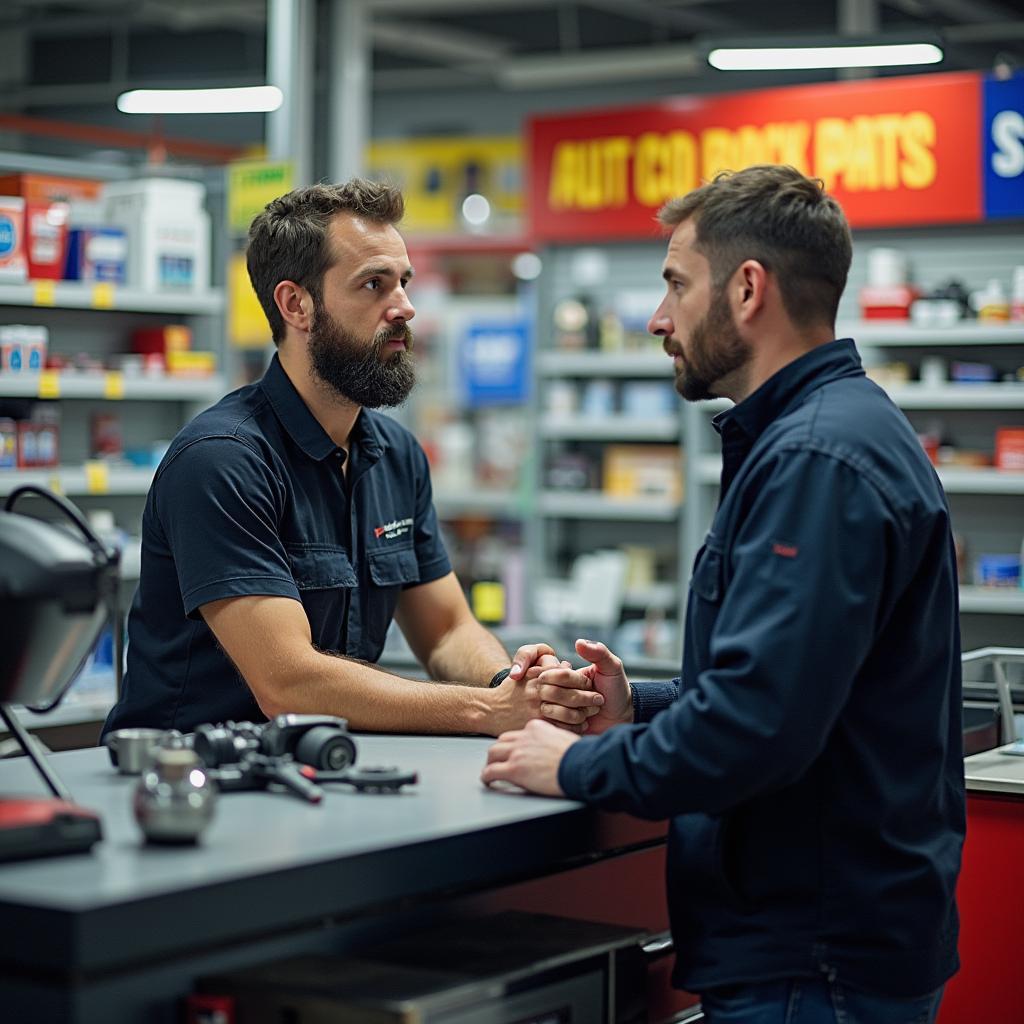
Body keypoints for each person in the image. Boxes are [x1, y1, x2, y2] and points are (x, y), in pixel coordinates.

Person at [482, 164, 964, 1023]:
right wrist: (643, 709)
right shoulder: (830, 432)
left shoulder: (816, 458)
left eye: (674, 283)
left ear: (748, 289)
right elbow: (808, 686)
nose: (659, 318)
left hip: (812, 959)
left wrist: (579, 765)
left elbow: (759, 727)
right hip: (828, 948)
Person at [103, 179, 600, 738]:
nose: (405, 307)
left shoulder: (396, 455)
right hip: (191, 781)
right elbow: (288, 682)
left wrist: (508, 684)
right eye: (374, 285)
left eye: (403, 282)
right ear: (296, 304)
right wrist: (489, 712)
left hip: (323, 773)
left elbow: (445, 630)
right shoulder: (222, 461)